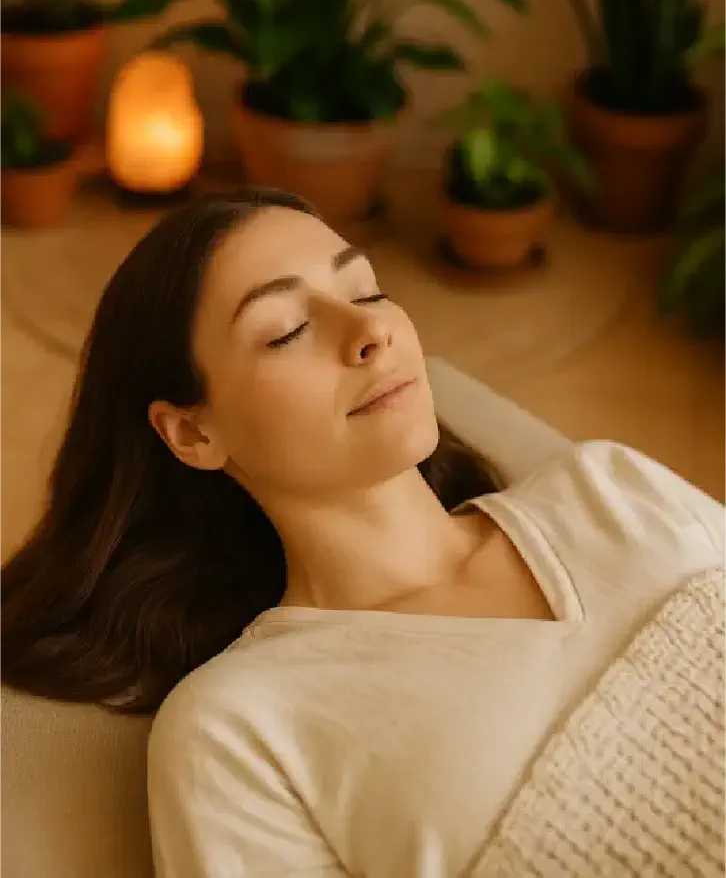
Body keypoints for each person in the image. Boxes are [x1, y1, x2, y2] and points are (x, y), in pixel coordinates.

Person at [0, 187, 725, 878]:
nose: (371, 330)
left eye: (368, 290)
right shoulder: (245, 725)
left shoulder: (609, 488)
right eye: (286, 330)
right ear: (193, 431)